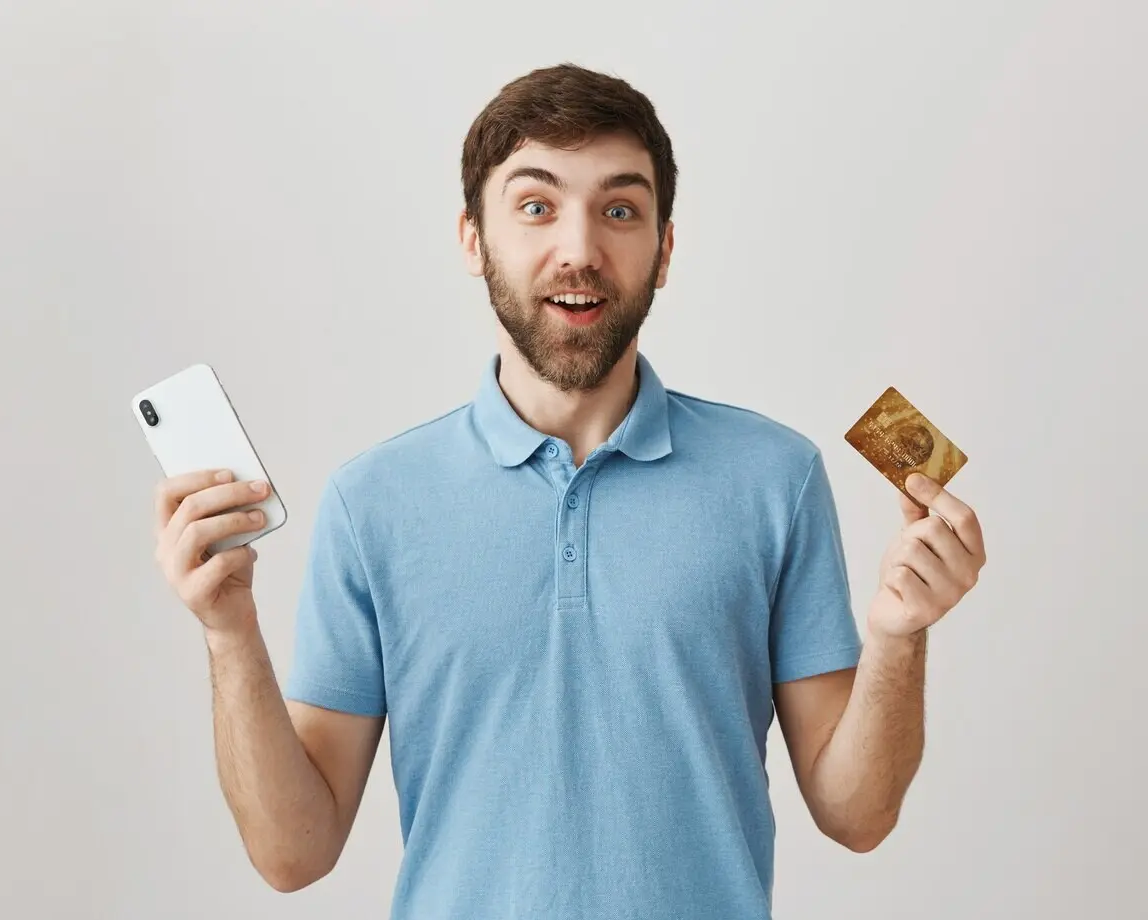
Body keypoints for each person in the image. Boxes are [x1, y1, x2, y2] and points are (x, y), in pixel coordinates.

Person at [151, 62, 987, 919]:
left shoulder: (777, 478)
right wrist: (228, 633)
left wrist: (899, 635)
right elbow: (294, 855)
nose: (581, 249)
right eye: (536, 206)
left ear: (664, 249)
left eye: (619, 210)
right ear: (475, 239)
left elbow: (857, 814)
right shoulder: (373, 503)